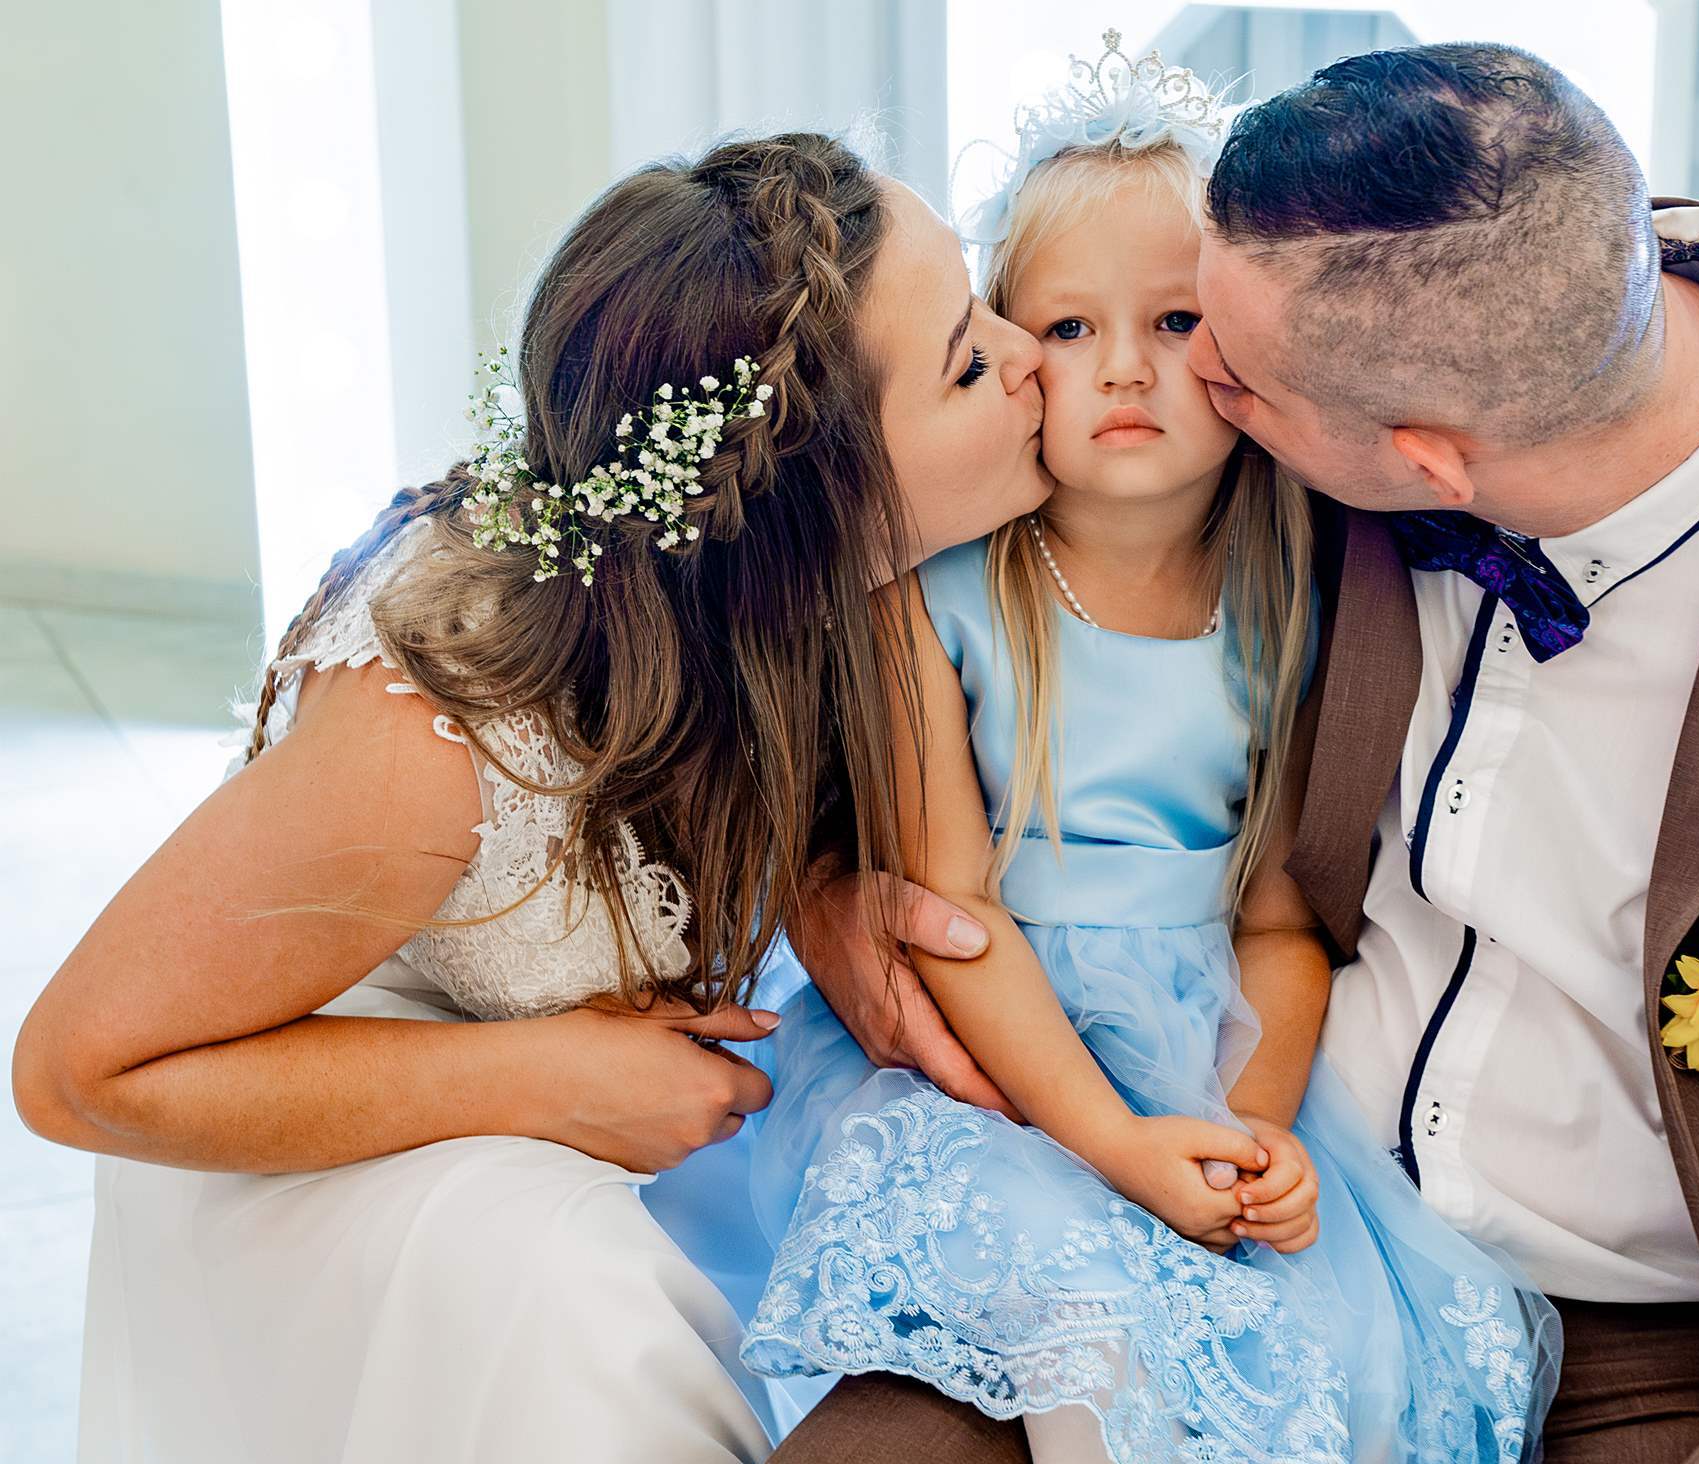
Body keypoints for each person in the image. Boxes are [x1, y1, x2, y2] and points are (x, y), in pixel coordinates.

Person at [795, 40, 1699, 1464]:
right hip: (1184, 1200)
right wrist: (830, 889)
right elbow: (856, 577)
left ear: (1425, 461)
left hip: (1662, 1349)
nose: (1171, 378)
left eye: (1222, 362)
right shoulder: (1343, 304)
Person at [10, 132, 1053, 1463]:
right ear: (811, 501)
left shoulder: (798, 595)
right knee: (585, 1314)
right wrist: (540, 1076)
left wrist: (818, 884)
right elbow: (76, 1071)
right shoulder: (444, 733)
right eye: (967, 364)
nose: (1030, 354)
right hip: (310, 1135)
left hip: (560, 1110)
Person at [733, 37, 1558, 1464]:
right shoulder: (934, 595)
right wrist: (1115, 1147)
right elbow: (950, 909)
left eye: (1176, 321)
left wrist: (1242, 1137)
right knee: (1080, 1327)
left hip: (1207, 1044)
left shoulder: (1297, 591)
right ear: (1008, 353)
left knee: (1315, 1359)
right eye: (1067, 328)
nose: (1123, 368)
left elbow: (1282, 922)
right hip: (996, 1056)